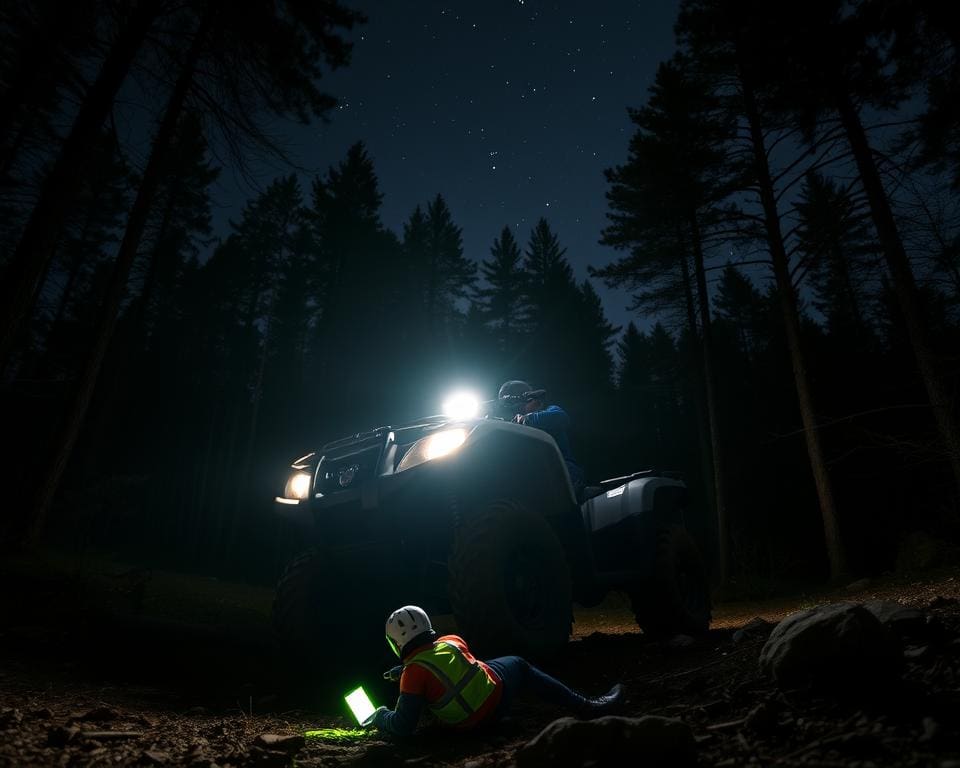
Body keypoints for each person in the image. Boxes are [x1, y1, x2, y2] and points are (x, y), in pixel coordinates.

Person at [367, 605, 624, 736]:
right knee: (517, 665)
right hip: (497, 701)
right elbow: (444, 665)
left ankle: (490, 726)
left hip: (464, 727)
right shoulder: (452, 641)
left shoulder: (412, 675)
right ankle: (587, 705)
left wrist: (379, 715)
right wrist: (407, 671)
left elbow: (402, 726)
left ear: (396, 643)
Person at [497, 380, 584, 498]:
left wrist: (527, 419)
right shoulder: (510, 423)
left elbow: (562, 418)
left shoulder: (550, 411)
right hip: (530, 475)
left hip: (563, 470)